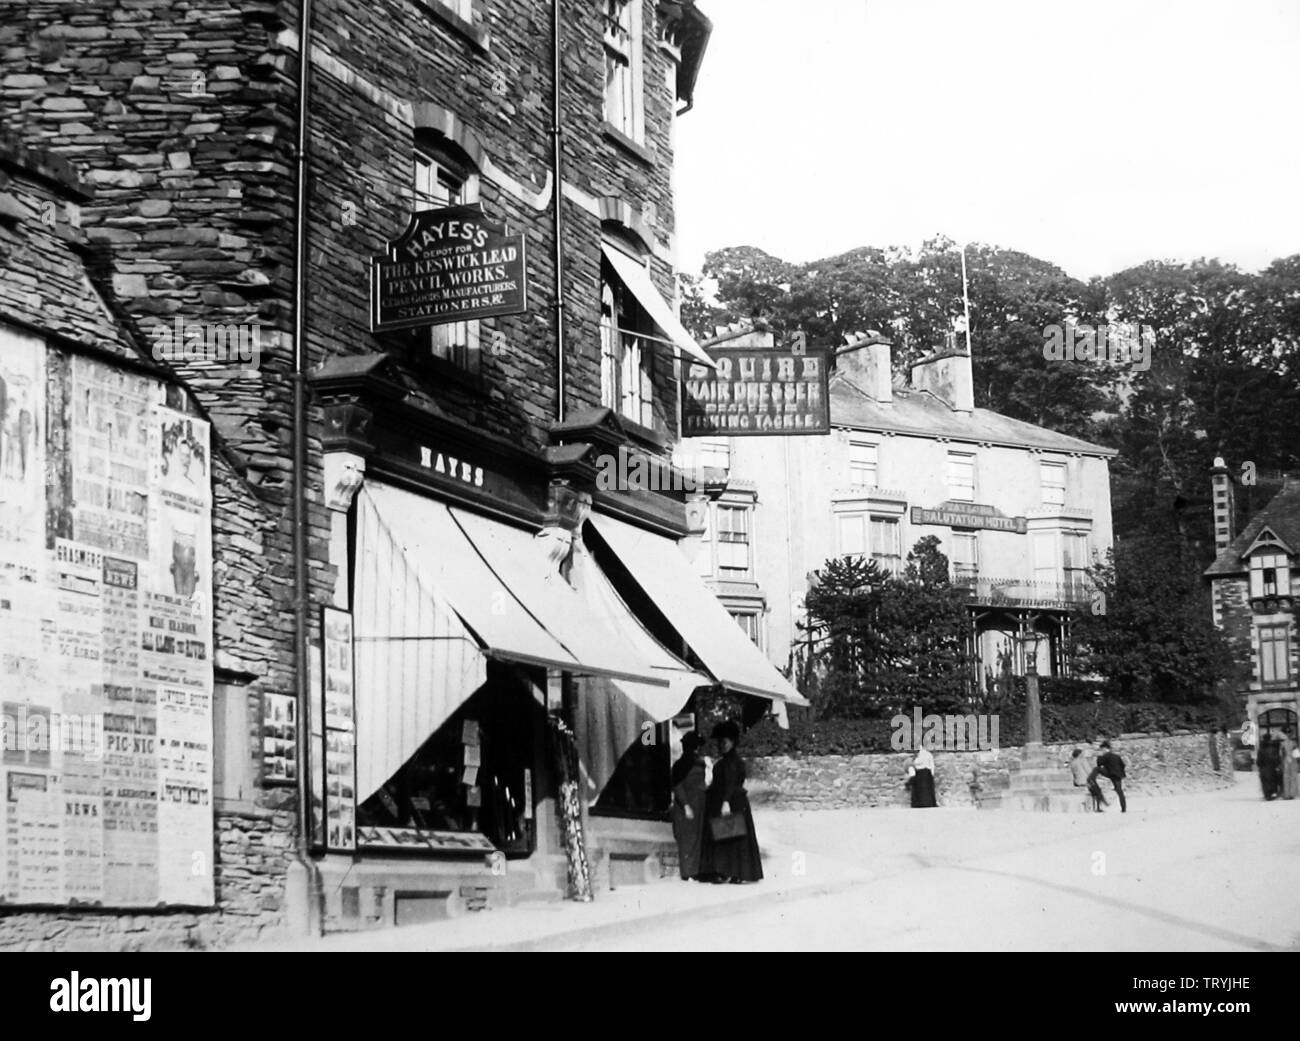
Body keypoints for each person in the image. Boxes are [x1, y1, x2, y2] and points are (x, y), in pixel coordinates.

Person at [699, 720, 762, 884]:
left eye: (725, 742)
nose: (721, 745)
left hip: (732, 802)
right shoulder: (723, 763)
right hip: (730, 802)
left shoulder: (733, 763)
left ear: (733, 742)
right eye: (720, 742)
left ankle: (735, 873)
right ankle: (730, 872)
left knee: (732, 838)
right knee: (729, 838)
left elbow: (731, 783)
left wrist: (725, 802)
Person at [669, 732, 707, 880]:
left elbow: (702, 783)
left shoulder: (700, 763)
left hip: (699, 805)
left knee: (697, 839)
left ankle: (697, 871)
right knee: (687, 840)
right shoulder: (680, 765)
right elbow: (677, 786)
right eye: (692, 747)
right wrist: (685, 805)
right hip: (687, 807)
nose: (695, 750)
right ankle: (688, 873)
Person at [1091, 740, 1127, 813]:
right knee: (1119, 791)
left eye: (1102, 749)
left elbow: (1099, 764)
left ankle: (1092, 779)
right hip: (1119, 774)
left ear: (1104, 749)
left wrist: (1099, 757)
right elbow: (1123, 765)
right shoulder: (1117, 756)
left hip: (1111, 773)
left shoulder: (1105, 756)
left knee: (1096, 769)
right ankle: (1123, 808)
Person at [1257, 729, 1282, 800]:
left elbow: (1259, 759)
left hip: (1263, 767)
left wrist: (1259, 765)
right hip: (1272, 767)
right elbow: (1276, 757)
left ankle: (1267, 794)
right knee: (1273, 780)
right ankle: (1273, 793)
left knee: (1265, 781)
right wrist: (1277, 764)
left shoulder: (1261, 748)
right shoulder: (1273, 747)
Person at [911, 743, 937, 808]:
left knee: (921, 789)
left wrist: (914, 761)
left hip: (921, 772)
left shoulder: (920, 754)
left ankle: (921, 803)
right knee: (927, 789)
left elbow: (917, 762)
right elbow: (932, 765)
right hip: (927, 772)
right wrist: (932, 773)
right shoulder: (929, 754)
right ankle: (929, 803)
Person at [1280, 732, 1299, 801]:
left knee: (1286, 778)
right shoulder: (1294, 744)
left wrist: (1282, 762)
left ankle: (1286, 794)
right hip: (1293, 762)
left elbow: (1281, 754)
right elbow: (1297, 755)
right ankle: (1292, 794)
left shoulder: (1282, 744)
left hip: (1285, 762)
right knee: (1293, 778)